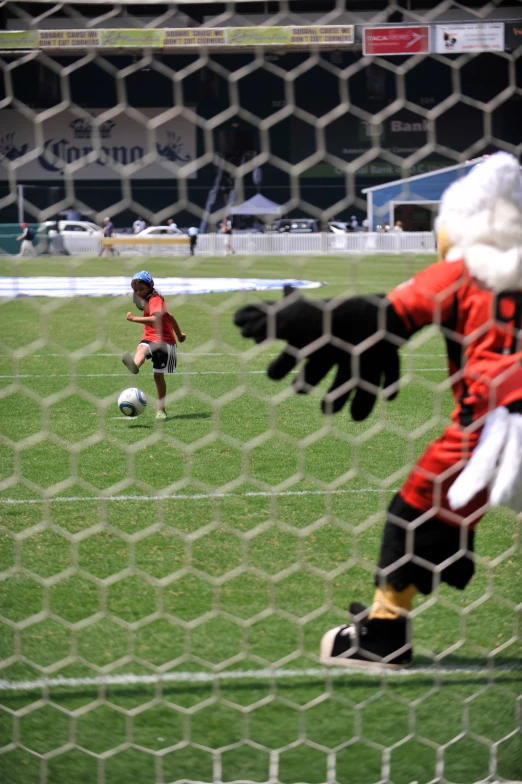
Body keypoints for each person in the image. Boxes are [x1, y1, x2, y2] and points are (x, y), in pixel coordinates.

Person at [234, 151, 522, 669]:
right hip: (496, 424)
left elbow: (385, 316)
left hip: (493, 427)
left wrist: (319, 319)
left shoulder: (463, 271)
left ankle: (384, 632)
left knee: (415, 509)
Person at [121, 270, 186, 421]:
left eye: (141, 289)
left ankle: (161, 410)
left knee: (158, 376)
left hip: (164, 342)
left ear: (150, 286)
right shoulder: (146, 300)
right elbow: (171, 317)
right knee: (141, 348)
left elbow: (157, 319)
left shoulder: (156, 300)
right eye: (135, 290)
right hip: (150, 337)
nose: (138, 292)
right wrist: (181, 333)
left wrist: (134, 318)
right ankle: (135, 365)